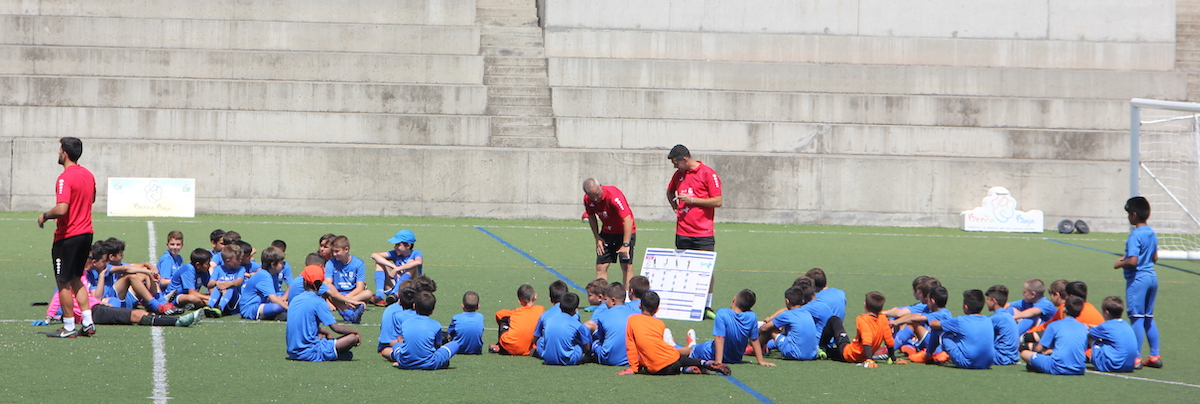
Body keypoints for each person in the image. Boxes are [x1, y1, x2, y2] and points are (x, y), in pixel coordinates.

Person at [38, 137, 97, 338]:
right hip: (86, 233)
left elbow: (62, 208)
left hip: (68, 236)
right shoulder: (88, 175)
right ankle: (88, 323)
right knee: (76, 279)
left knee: (63, 281)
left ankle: (69, 326)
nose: (58, 153)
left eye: (60, 149)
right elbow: (92, 198)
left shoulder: (65, 178)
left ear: (65, 153)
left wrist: (45, 215)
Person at [665, 144, 723, 319]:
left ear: (685, 159)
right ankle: (686, 302)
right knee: (684, 267)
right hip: (683, 230)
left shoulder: (707, 173)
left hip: (703, 232)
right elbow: (669, 191)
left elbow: (717, 201)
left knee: (706, 269)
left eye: (676, 163)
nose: (675, 167)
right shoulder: (679, 175)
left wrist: (692, 200)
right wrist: (675, 207)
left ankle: (707, 305)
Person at [621, 291, 731, 376]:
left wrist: (634, 368)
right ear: (656, 310)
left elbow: (631, 346)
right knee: (675, 357)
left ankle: (686, 369)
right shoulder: (659, 323)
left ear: (640, 305)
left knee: (652, 365)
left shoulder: (632, 320)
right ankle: (703, 363)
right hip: (673, 357)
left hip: (658, 368)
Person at [1115, 196, 1162, 369]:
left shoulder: (1135, 235)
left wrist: (1120, 263)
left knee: (1136, 318)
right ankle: (1155, 355)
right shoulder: (1151, 232)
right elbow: (1155, 257)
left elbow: (1133, 261)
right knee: (1148, 317)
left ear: (1133, 215)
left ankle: (1136, 357)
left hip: (1138, 279)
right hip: (1152, 277)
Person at [286, 265, 360, 362]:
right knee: (352, 339)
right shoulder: (319, 302)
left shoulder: (295, 299)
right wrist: (355, 332)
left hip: (293, 353)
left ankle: (335, 354)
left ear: (304, 282)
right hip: (311, 352)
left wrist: (325, 332)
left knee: (322, 337)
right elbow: (336, 328)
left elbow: (303, 324)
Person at [689, 289, 773, 366]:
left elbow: (719, 338)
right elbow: (754, 340)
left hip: (711, 353)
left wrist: (718, 361)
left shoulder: (722, 313)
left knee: (691, 350)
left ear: (734, 299)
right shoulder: (752, 316)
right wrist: (761, 360)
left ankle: (686, 346)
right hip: (735, 358)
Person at [583, 178, 637, 285]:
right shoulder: (587, 199)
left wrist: (626, 244)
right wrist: (597, 237)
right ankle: (601, 297)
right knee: (600, 266)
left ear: (601, 186)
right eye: (592, 196)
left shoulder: (614, 196)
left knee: (626, 266)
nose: (595, 199)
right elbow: (591, 216)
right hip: (607, 232)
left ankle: (627, 298)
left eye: (597, 194)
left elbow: (627, 219)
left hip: (624, 232)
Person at [1021, 296, 1088, 375]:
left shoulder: (1054, 325)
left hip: (1057, 367)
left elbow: (1039, 348)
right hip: (1079, 369)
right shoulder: (1083, 327)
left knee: (1024, 353)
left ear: (1063, 309)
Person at [392, 291, 460, 370]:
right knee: (455, 344)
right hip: (429, 363)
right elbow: (437, 345)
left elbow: (402, 341)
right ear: (432, 311)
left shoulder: (405, 323)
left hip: (406, 362)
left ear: (414, 306)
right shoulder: (436, 325)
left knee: (396, 345)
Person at [928, 290, 995, 369]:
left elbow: (933, 324)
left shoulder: (961, 321)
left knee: (943, 334)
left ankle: (928, 355)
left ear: (965, 307)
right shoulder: (988, 320)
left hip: (968, 363)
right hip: (987, 363)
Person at [894, 285, 951, 363]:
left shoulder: (941, 314)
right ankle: (910, 346)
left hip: (938, 343)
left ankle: (889, 350)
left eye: (928, 299)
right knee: (907, 325)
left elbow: (915, 318)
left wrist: (895, 322)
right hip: (936, 342)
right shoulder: (939, 311)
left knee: (913, 325)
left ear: (932, 301)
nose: (926, 301)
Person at [758, 287, 818, 361]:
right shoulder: (807, 313)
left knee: (769, 329)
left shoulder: (787, 314)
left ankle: (755, 349)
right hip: (812, 354)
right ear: (802, 301)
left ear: (787, 301)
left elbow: (764, 329)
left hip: (795, 354)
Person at [838, 291, 895, 364]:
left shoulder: (862, 319)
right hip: (864, 355)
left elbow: (867, 338)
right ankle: (826, 350)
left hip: (850, 354)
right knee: (832, 351)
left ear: (865, 305)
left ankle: (822, 347)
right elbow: (889, 339)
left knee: (834, 320)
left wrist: (869, 359)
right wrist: (892, 357)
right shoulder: (883, 318)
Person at [535, 292, 592, 365]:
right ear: (575, 310)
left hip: (547, 358)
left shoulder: (550, 320)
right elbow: (586, 347)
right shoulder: (577, 325)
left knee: (541, 340)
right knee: (579, 344)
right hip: (568, 360)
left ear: (560, 306)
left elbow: (537, 339)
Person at [324, 236, 371, 323]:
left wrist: (347, 298)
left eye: (337, 251)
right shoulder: (330, 263)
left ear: (346, 249)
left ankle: (346, 309)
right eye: (333, 251)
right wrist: (342, 298)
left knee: (368, 293)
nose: (334, 254)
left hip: (352, 294)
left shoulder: (358, 263)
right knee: (329, 291)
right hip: (337, 294)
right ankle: (350, 313)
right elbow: (327, 282)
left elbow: (359, 287)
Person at [587, 282, 634, 366]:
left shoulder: (603, 315)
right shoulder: (634, 314)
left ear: (613, 300)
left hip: (608, 359)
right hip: (630, 359)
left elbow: (600, 337)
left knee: (595, 342)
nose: (604, 303)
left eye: (605, 299)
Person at [371, 229, 423, 305]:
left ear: (408, 245)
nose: (395, 247)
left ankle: (395, 294)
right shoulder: (395, 253)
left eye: (398, 245)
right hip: (393, 284)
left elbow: (419, 261)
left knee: (412, 264)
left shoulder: (415, 253)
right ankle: (379, 295)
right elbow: (374, 255)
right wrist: (393, 266)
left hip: (409, 288)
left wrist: (398, 269)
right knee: (380, 262)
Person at [489, 284, 544, 355]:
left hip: (510, 347)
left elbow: (499, 314)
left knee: (504, 319)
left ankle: (500, 346)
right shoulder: (541, 309)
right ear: (535, 296)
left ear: (520, 301)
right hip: (528, 348)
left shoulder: (517, 312)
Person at [1089, 296, 1138, 373]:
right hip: (1129, 365)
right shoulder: (1125, 324)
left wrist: (1084, 325)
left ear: (1106, 312)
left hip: (1114, 366)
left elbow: (1090, 332)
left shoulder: (1106, 326)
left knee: (1092, 338)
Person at [239, 246, 289, 320]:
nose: (283, 265)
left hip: (262, 303)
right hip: (250, 308)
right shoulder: (264, 276)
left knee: (285, 300)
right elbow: (273, 299)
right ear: (273, 265)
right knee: (277, 307)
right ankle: (275, 315)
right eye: (281, 263)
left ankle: (276, 315)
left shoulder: (270, 274)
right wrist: (290, 309)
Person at [206, 242, 247, 317]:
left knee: (230, 288)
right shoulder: (218, 269)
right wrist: (217, 283)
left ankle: (220, 308)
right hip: (221, 293)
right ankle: (209, 306)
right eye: (238, 259)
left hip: (234, 301)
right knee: (217, 287)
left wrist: (229, 284)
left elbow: (238, 282)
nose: (240, 261)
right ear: (228, 261)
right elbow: (210, 284)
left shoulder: (241, 269)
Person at [985, 285, 1020, 366]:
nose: (986, 302)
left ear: (993, 301)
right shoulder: (1007, 315)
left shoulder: (997, 318)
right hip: (1012, 357)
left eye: (988, 299)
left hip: (1001, 358)